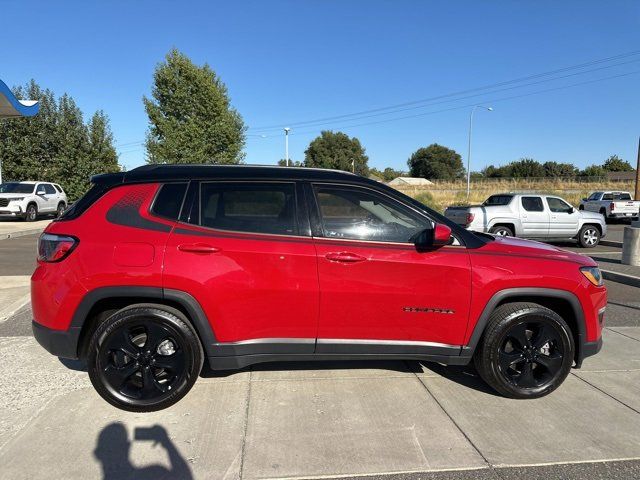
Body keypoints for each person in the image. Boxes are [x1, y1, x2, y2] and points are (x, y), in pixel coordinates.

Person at [93, 422, 193, 480]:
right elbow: (185, 476)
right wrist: (167, 443)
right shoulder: (154, 473)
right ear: (127, 447)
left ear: (98, 454)